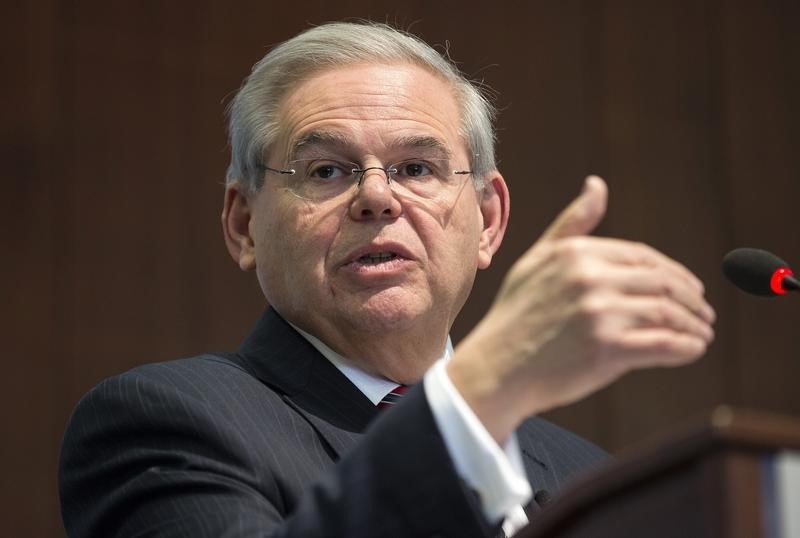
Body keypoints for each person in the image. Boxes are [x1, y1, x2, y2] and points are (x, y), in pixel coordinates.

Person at [59, 21, 715, 537]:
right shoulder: (165, 425)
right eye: (325, 171)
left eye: (417, 169)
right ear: (244, 225)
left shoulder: (590, 478)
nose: (377, 197)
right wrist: (484, 384)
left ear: (487, 221)